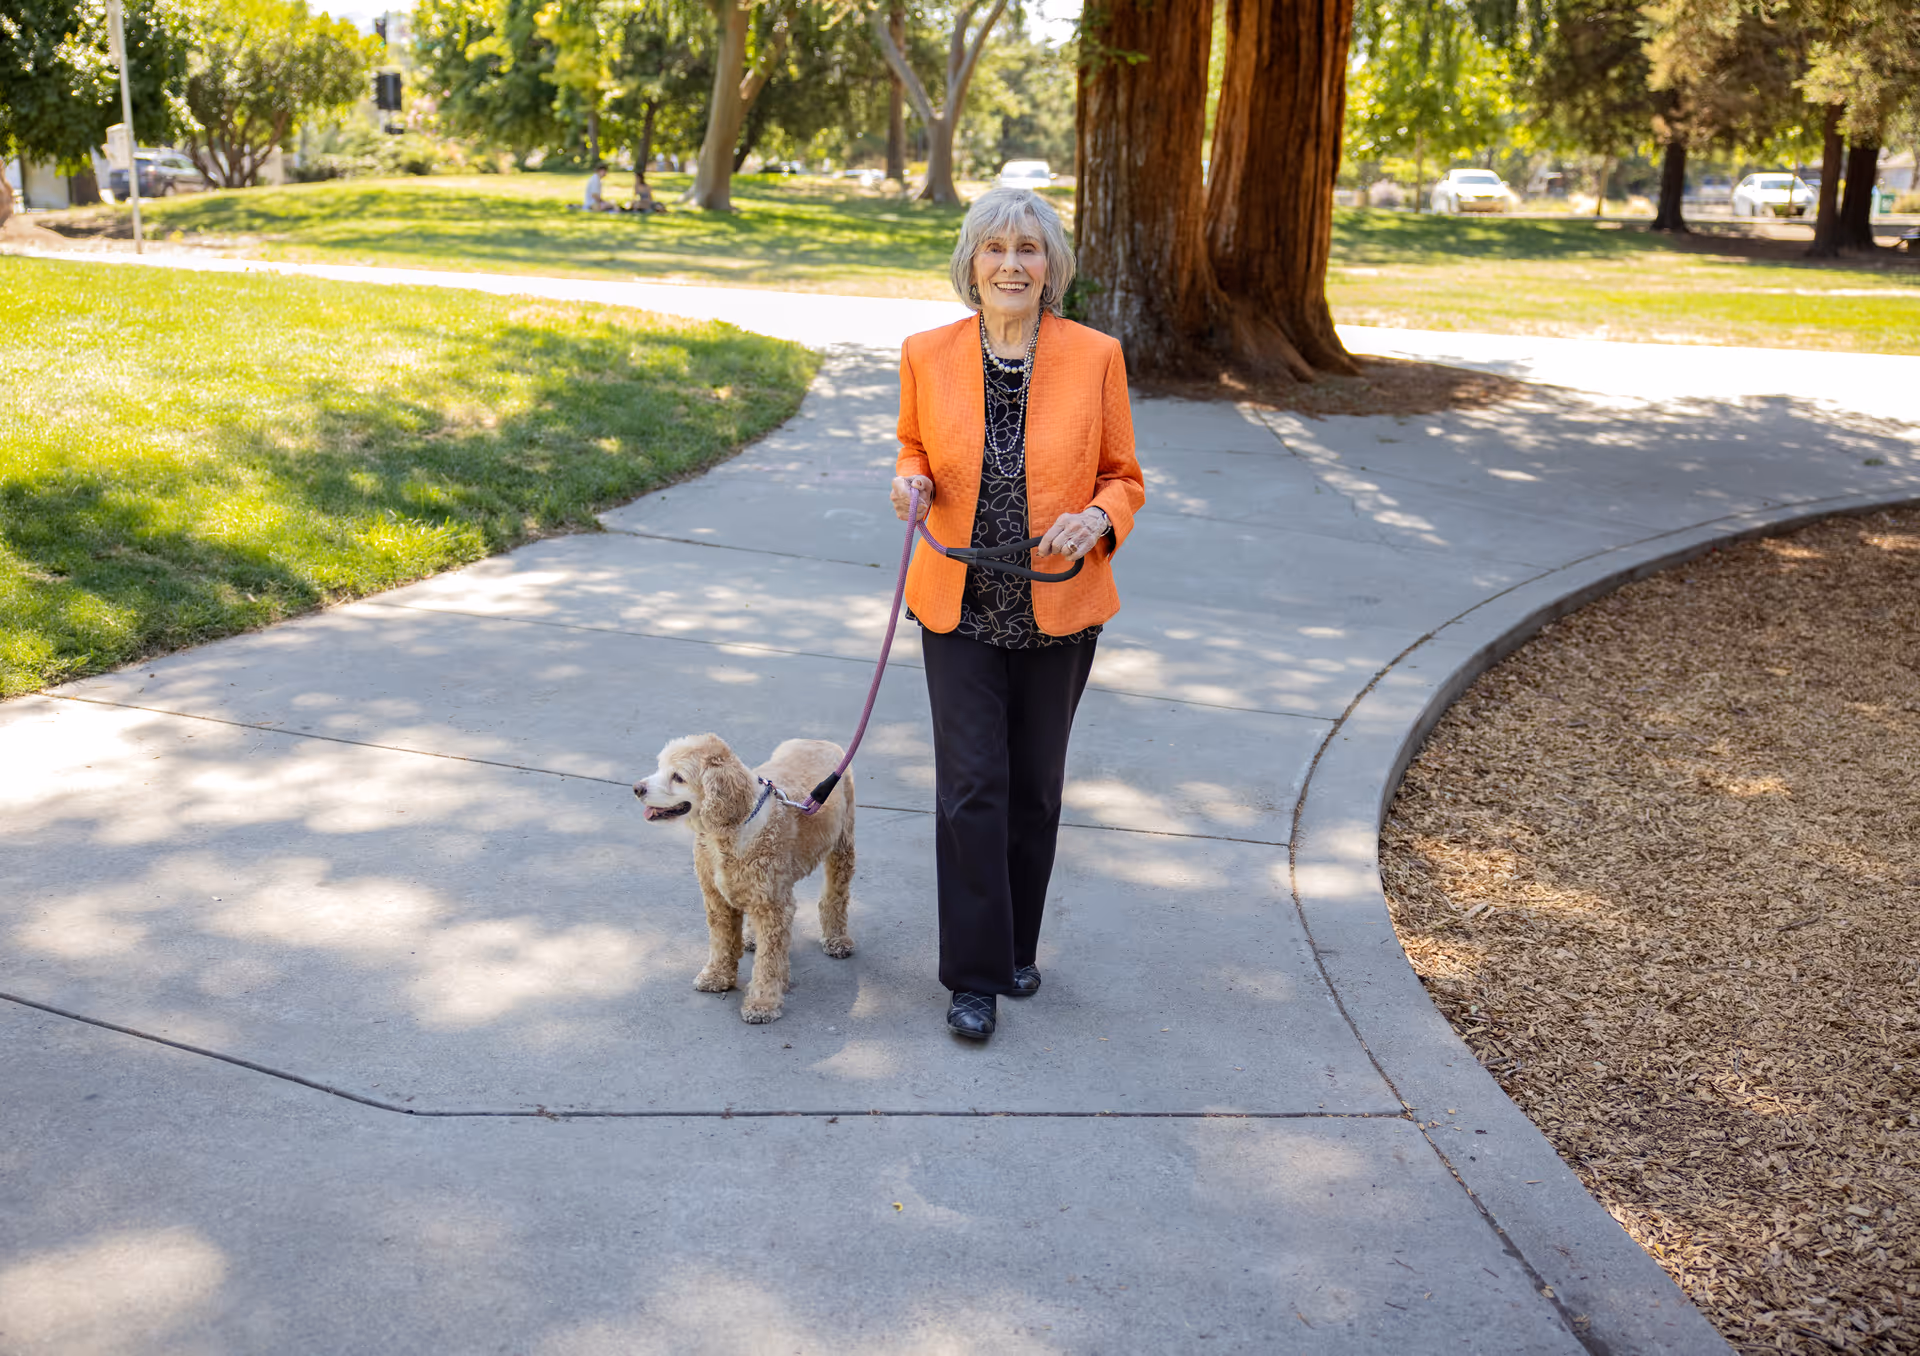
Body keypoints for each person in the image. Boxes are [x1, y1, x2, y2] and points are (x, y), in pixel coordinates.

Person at [889, 187, 1144, 1041]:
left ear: (1051, 266)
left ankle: (1014, 947)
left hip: (1059, 606)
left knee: (1033, 791)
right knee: (970, 789)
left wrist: (1100, 518)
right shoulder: (926, 352)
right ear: (970, 262)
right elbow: (914, 443)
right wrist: (911, 479)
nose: (1011, 264)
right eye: (994, 248)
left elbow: (1123, 475)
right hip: (957, 603)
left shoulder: (1095, 355)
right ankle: (972, 977)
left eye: (1028, 249)